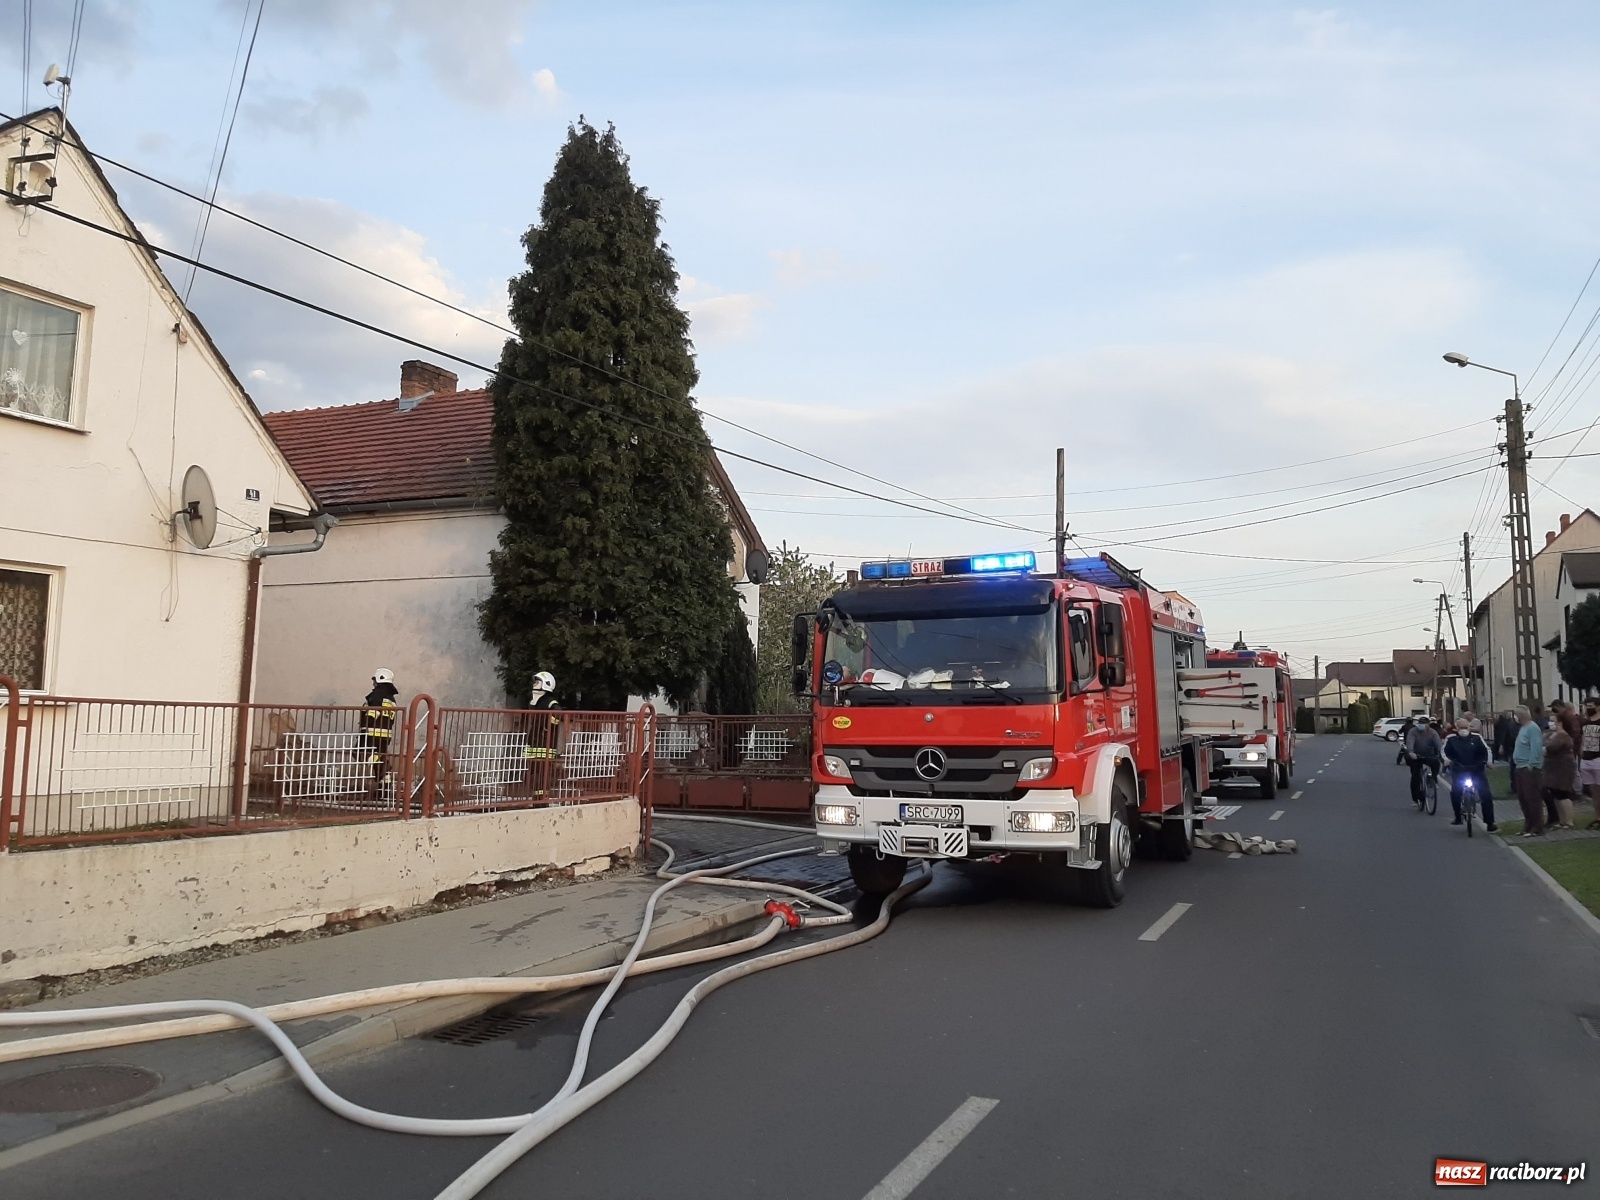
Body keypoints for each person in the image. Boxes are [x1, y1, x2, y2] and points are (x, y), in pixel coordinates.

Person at [1443, 717, 1495, 830]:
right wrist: (1446, 760)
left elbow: (1487, 750)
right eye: (1460, 728)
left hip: (1476, 770)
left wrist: (1489, 762)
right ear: (1456, 728)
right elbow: (1444, 752)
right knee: (1456, 792)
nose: (1463, 730)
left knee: (1485, 795)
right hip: (1459, 770)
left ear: (1469, 727)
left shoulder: (1477, 738)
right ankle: (1457, 816)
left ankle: (1490, 822)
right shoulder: (1451, 739)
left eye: (1465, 727)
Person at [1511, 705, 1547, 836]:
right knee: (1523, 798)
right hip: (1520, 767)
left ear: (1521, 716)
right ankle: (1528, 825)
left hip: (1529, 768)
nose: (1514, 717)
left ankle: (1536, 827)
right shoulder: (1523, 728)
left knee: (1532, 798)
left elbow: (1536, 748)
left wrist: (1532, 765)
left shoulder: (1532, 728)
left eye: (1515, 714)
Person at [360, 668, 400, 784]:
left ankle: (384, 766)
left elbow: (373, 712)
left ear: (380, 679)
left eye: (374, 680)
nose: (373, 683)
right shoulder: (391, 698)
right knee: (379, 756)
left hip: (372, 732)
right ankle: (385, 788)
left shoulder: (377, 695)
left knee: (360, 753)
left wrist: (366, 724)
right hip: (386, 734)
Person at [1543, 714, 1577, 830]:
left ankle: (1569, 821)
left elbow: (1551, 747)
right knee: (1555, 795)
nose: (1550, 723)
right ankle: (1561, 821)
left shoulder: (1563, 736)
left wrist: (1546, 744)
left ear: (1560, 722)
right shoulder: (1553, 734)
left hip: (1563, 769)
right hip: (1553, 769)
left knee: (1563, 794)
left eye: (1553, 721)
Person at [1404, 717, 1443, 806]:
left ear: (1428, 724)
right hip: (1415, 755)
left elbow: (1438, 745)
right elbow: (1410, 742)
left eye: (1424, 723)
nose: (1422, 725)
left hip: (1429, 754)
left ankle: (1433, 779)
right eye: (1420, 723)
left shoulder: (1432, 732)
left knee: (1435, 763)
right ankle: (1416, 798)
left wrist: (1442, 754)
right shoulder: (1413, 731)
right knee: (1415, 776)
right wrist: (1411, 752)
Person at [1580, 698, 1600, 830]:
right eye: (1587, 706)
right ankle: (1598, 817)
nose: (1588, 708)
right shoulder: (1585, 723)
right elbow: (1583, 740)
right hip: (1586, 759)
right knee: (1594, 792)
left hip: (1598, 759)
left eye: (1591, 706)